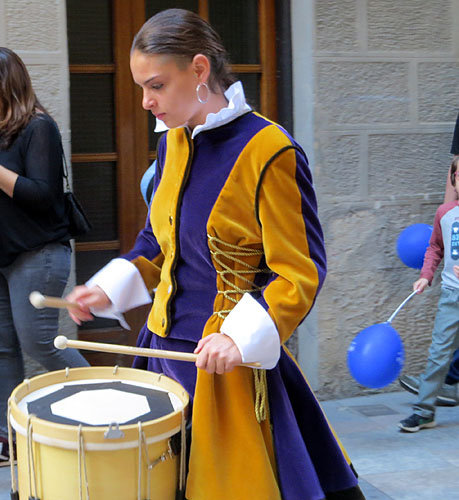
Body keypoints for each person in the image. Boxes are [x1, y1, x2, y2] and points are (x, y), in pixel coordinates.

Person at [65, 9, 364, 500]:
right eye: (142, 87)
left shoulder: (269, 151)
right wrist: (106, 289)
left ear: (199, 69)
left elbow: (300, 272)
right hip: (162, 354)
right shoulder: (172, 144)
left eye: (156, 85)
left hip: (224, 370)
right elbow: (158, 244)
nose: (146, 102)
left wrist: (236, 338)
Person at [0, 47, 89, 472]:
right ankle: (6, 438)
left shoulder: (38, 128)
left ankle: (103, 403)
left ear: (10, 86)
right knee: (2, 346)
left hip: (37, 252)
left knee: (39, 343)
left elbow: (42, 196)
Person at [399, 112, 459, 406]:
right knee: (440, 348)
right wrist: (426, 275)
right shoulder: (446, 214)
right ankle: (427, 403)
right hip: (452, 292)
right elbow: (435, 246)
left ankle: (447, 382)